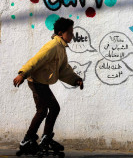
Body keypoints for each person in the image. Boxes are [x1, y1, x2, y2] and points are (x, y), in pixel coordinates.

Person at [13, 17, 84, 154]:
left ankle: (39, 138)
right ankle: (30, 139)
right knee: (47, 109)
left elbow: (63, 69)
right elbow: (36, 60)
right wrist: (22, 73)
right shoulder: (52, 46)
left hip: (42, 83)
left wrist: (76, 79)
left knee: (46, 109)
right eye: (69, 32)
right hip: (36, 82)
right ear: (60, 33)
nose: (72, 35)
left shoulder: (61, 48)